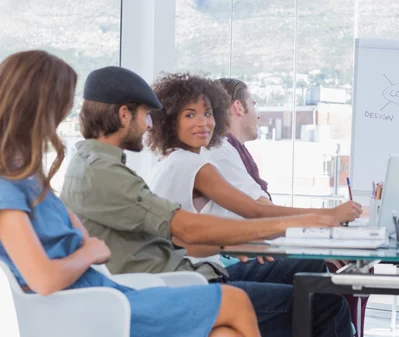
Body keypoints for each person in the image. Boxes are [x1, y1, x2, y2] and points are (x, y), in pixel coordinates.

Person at [0, 50, 261, 337]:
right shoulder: (2, 189)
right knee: (236, 301)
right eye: (60, 107)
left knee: (225, 333)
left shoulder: (23, 177)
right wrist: (87, 253)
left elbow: (73, 233)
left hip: (100, 295)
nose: (60, 120)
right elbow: (44, 279)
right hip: (93, 309)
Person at [60, 67, 352, 337]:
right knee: (325, 303)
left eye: (208, 113)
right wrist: (299, 221)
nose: (149, 124)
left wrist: (229, 245)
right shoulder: (106, 172)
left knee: (311, 276)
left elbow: (162, 240)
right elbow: (195, 228)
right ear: (124, 115)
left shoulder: (95, 165)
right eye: (146, 114)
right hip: (174, 286)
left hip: (183, 271)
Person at [204, 77, 372, 334]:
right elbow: (258, 211)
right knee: (327, 281)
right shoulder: (220, 151)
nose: (258, 115)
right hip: (228, 261)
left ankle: (344, 327)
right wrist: (326, 216)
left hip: (242, 250)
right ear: (238, 107)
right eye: (254, 104)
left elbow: (260, 212)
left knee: (327, 266)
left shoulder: (231, 152)